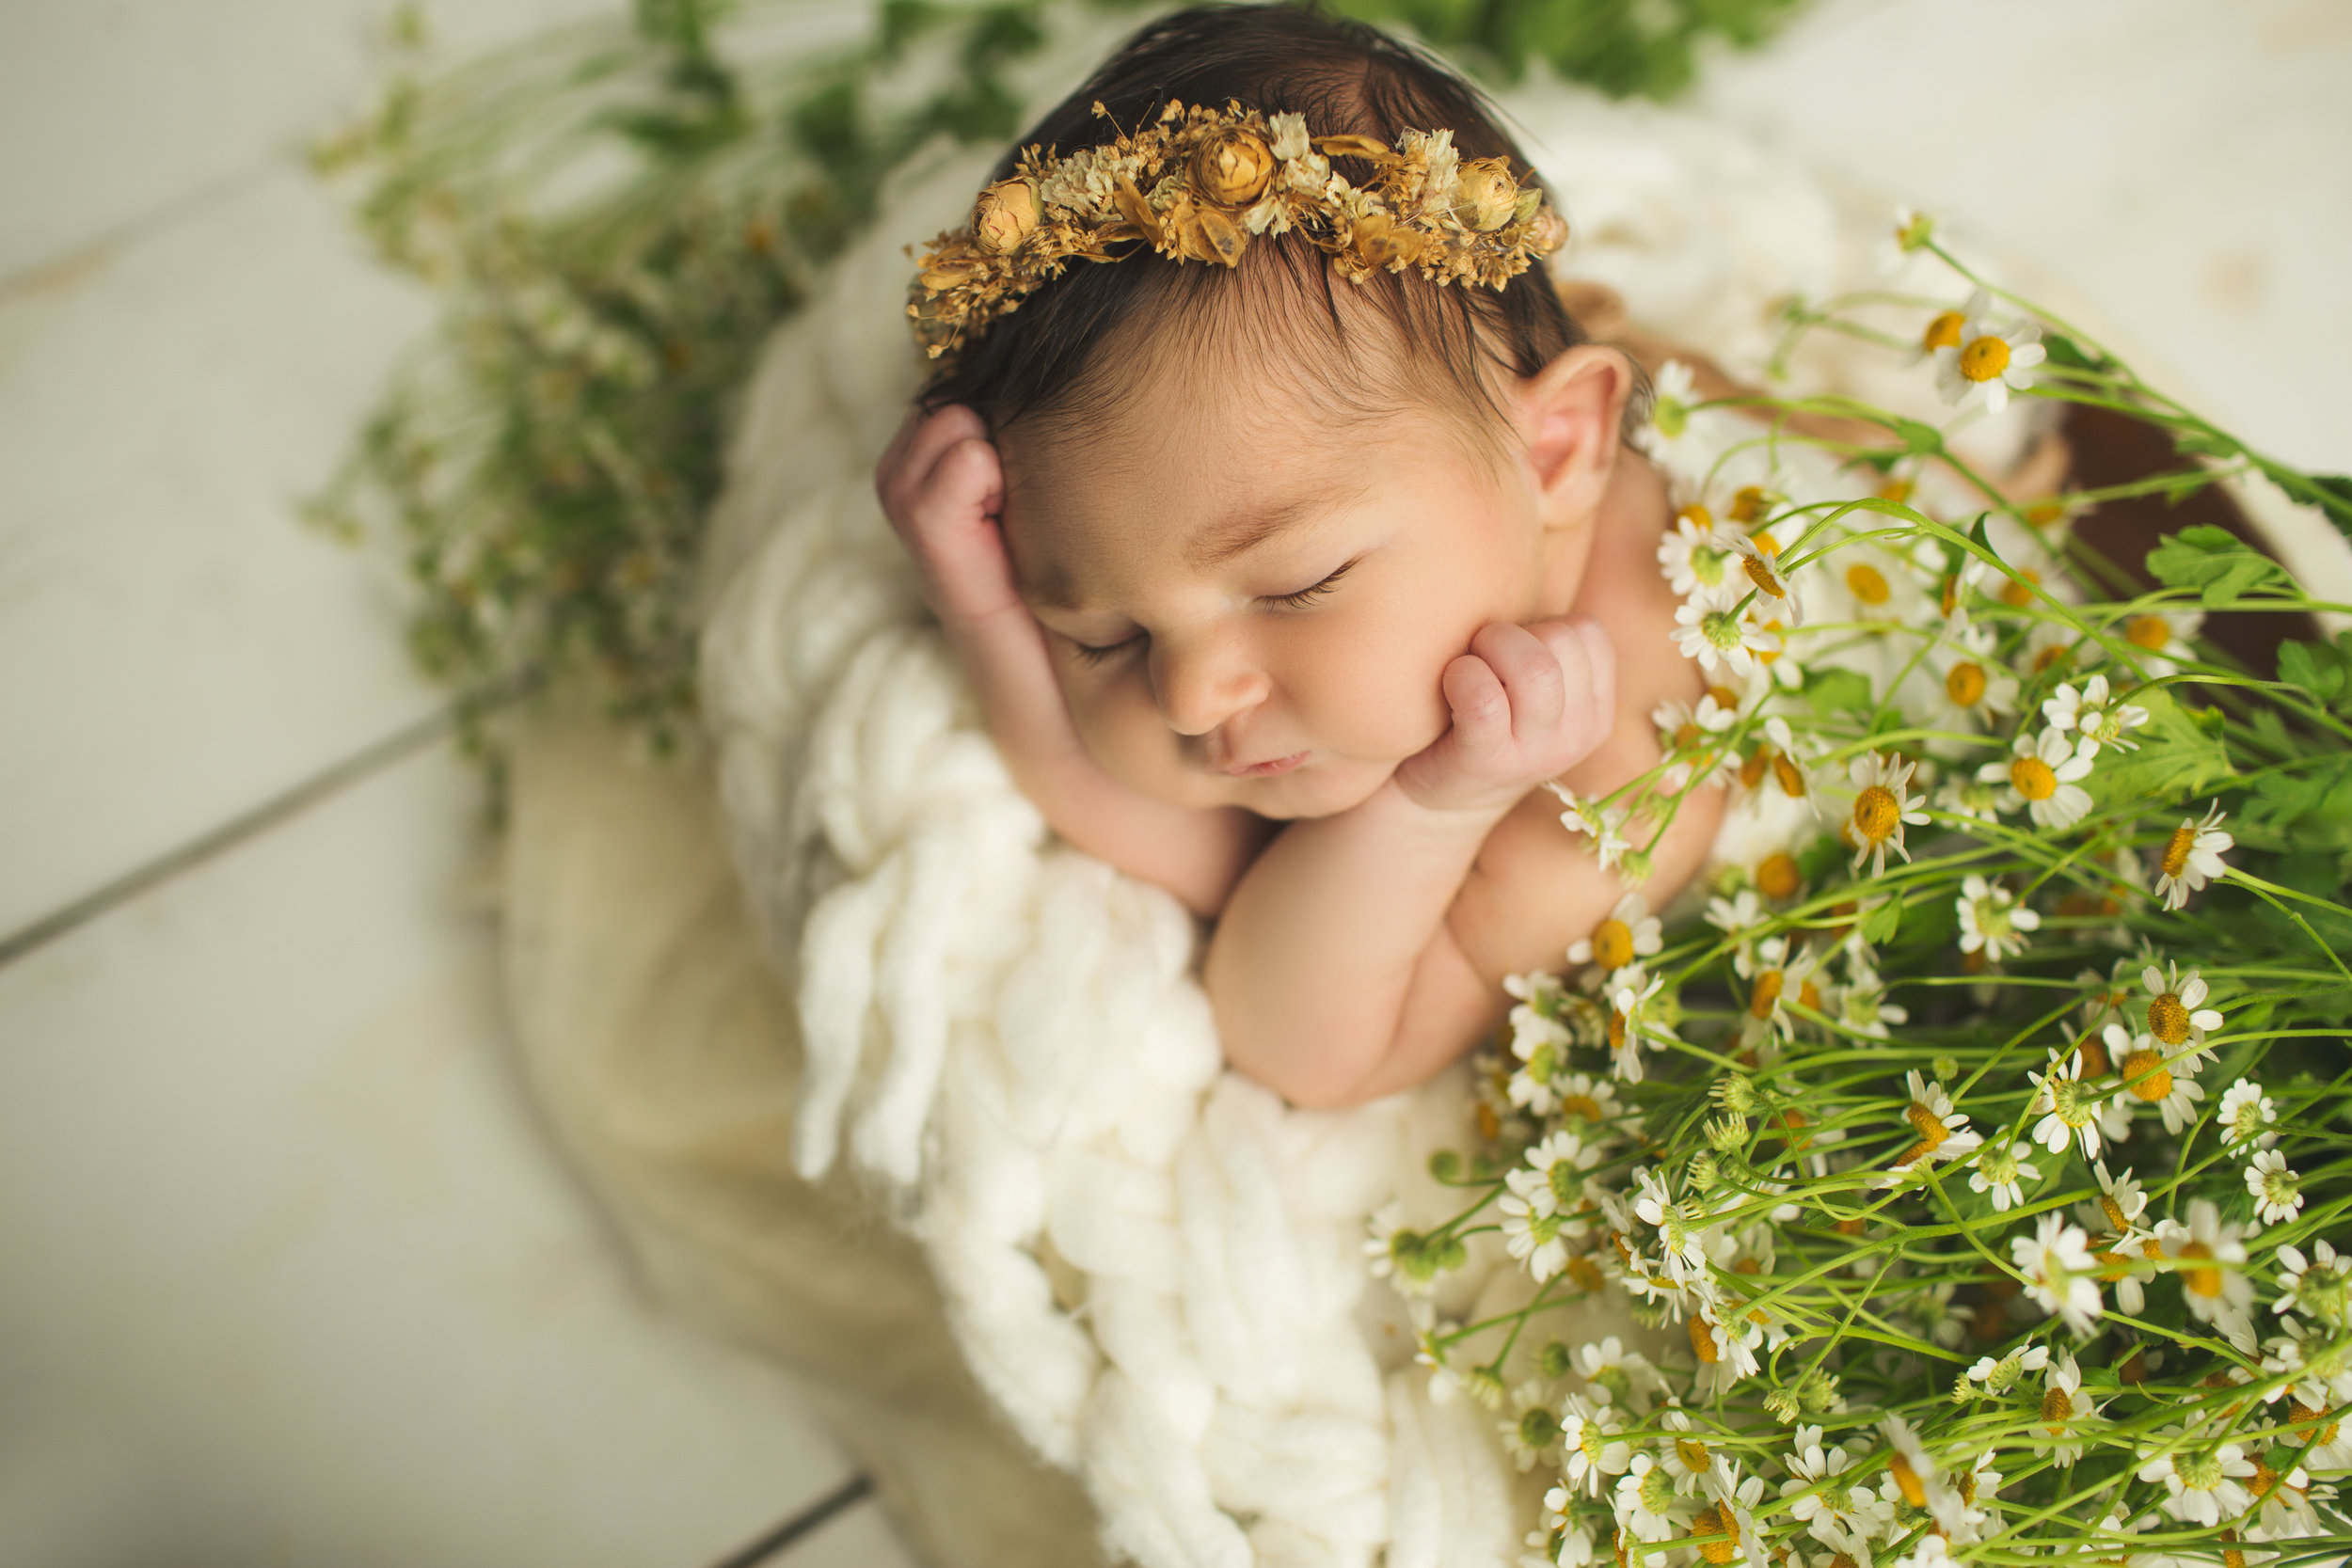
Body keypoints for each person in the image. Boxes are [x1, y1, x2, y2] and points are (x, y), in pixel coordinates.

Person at [872, 3, 1724, 1109]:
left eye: (1295, 585)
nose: (1187, 694)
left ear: (1555, 449)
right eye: (1102, 635)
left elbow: (1309, 1047)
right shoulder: (1355, 617)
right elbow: (1128, 807)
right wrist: (978, 598)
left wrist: (1433, 809)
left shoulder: (1632, 767)